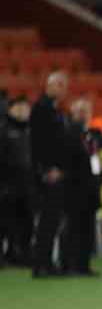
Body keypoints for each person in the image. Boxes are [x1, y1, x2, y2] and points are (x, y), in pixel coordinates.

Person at [27, 70, 73, 277]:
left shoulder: (55, 110)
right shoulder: (41, 109)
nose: (63, 90)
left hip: (58, 172)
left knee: (53, 221)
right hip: (47, 174)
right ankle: (40, 265)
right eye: (59, 85)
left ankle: (47, 262)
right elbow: (38, 143)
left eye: (64, 86)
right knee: (46, 221)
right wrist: (46, 169)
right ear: (49, 86)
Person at [61, 98, 102, 276]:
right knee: (74, 228)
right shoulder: (69, 132)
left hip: (91, 188)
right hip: (75, 188)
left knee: (87, 228)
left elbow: (96, 157)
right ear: (73, 112)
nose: (83, 114)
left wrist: (100, 177)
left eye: (86, 110)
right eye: (79, 110)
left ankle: (83, 265)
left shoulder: (90, 134)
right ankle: (70, 264)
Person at [1, 94, 33, 267]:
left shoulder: (31, 129)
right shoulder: (4, 129)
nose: (23, 111)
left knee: (26, 223)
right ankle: (6, 255)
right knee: (6, 224)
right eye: (19, 107)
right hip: (8, 185)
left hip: (27, 185)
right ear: (10, 109)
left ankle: (22, 255)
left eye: (25, 107)